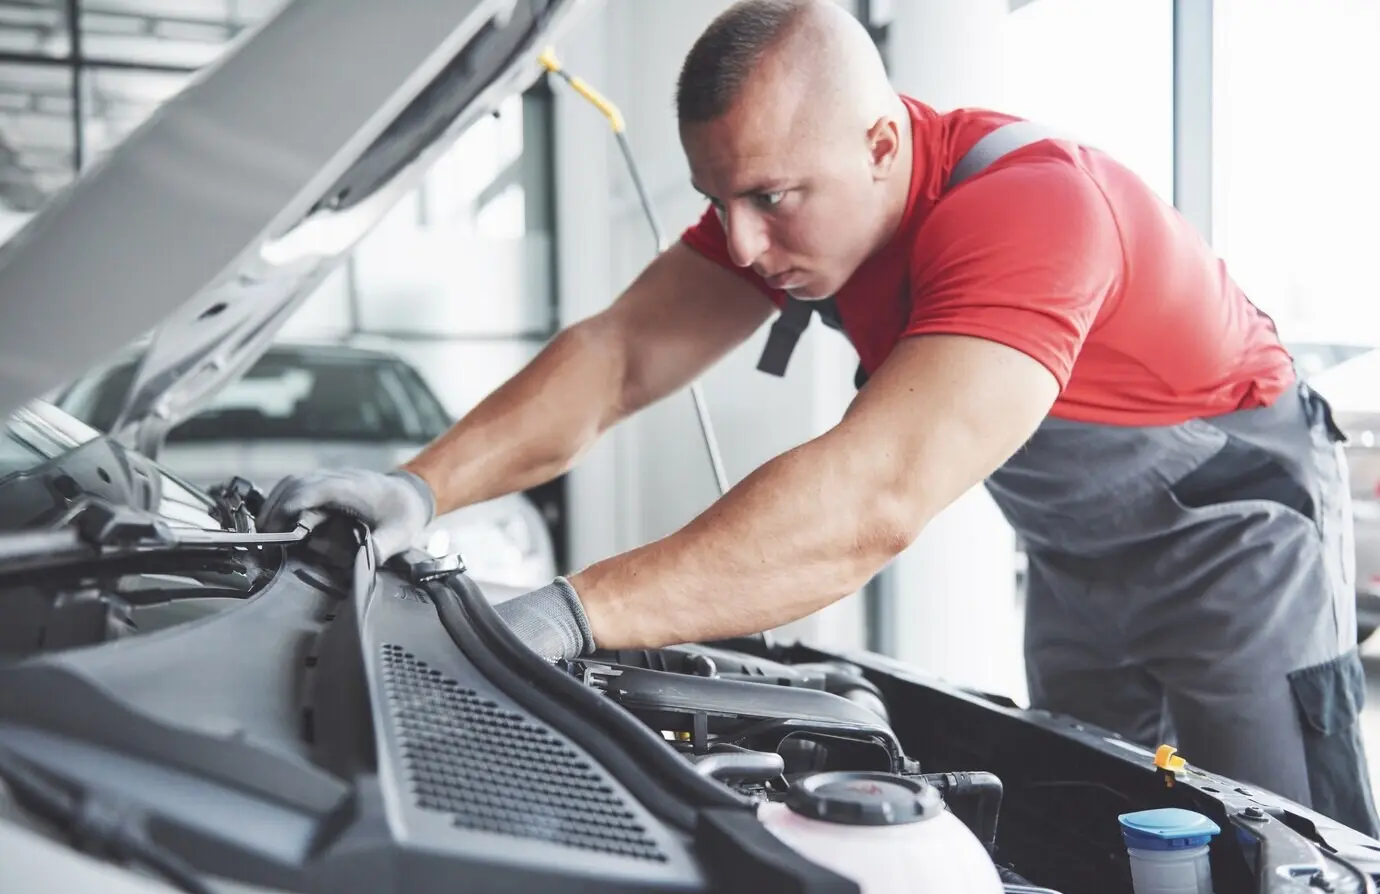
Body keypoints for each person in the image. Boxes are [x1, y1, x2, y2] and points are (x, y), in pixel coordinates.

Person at [260, 0, 1380, 834]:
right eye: (718, 200)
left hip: (1236, 536)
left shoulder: (1033, 209)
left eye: (768, 198)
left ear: (882, 144)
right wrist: (414, 486)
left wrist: (569, 613)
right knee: (1086, 820)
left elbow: (873, 502)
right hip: (1078, 556)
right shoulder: (809, 208)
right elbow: (618, 355)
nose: (740, 245)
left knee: (1287, 844)